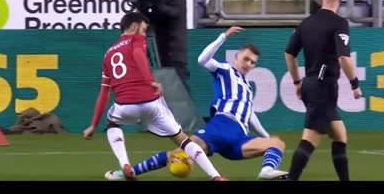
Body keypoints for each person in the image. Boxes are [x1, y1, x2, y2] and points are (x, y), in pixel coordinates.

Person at [103, 26, 289, 181]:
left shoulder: (247, 88)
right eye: (246, 59)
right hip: (221, 127)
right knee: (179, 153)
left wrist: (266, 136)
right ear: (237, 57)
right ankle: (128, 172)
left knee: (276, 144)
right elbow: (203, 59)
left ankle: (266, 172)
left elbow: (249, 115)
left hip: (239, 136)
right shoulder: (225, 69)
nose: (248, 64)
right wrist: (223, 36)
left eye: (253, 62)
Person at [82, 12, 227, 181]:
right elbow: (138, 54)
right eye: (143, 29)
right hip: (151, 102)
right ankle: (216, 176)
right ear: (135, 27)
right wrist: (150, 81)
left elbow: (104, 93)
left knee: (112, 122)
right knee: (183, 141)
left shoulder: (107, 55)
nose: (144, 33)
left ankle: (125, 164)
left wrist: (92, 125)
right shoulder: (137, 39)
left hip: (125, 106)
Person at [283, 0, 362, 181]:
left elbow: (289, 54)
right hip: (324, 86)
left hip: (310, 83)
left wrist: (297, 82)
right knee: (311, 137)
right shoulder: (339, 23)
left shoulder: (306, 22)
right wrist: (354, 83)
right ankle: (292, 178)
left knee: (339, 134)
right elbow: (344, 57)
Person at [146, 0, 190, 91]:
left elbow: (175, 13)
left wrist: (156, 4)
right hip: (162, 49)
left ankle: (188, 112)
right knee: (168, 91)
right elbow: (155, 18)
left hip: (175, 51)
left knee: (179, 90)